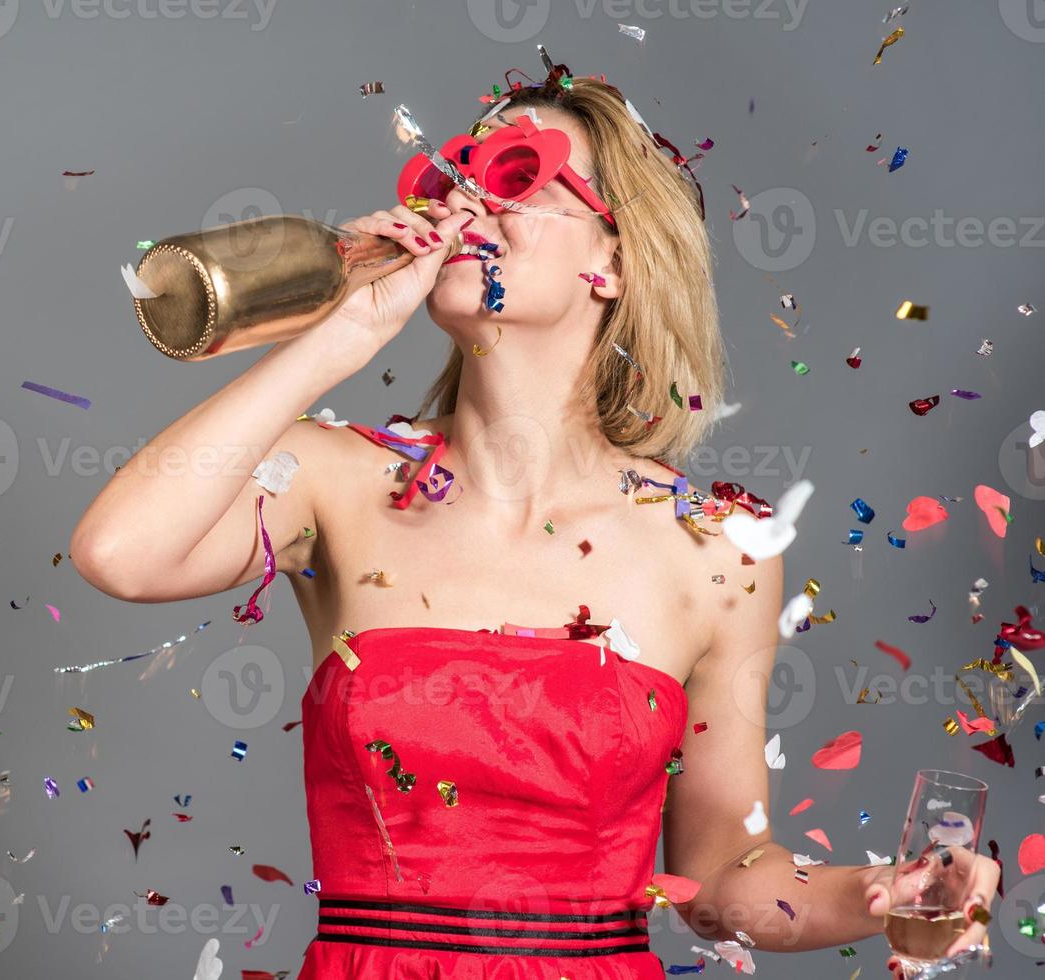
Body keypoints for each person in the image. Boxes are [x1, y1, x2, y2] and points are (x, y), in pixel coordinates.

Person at [70, 70, 998, 979]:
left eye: (519, 178)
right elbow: (120, 552)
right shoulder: (332, 476)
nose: (469, 203)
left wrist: (879, 891)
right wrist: (338, 336)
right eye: (451, 180)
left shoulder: (716, 546)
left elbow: (719, 875)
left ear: (614, 259)